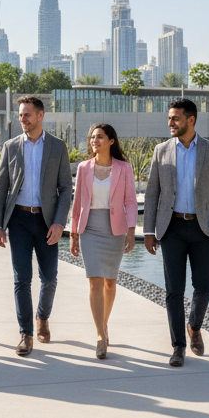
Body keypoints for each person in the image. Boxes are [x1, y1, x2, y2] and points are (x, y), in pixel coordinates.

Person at [143, 98, 209, 367]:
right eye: (169, 118)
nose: (170, 123)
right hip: (171, 228)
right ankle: (178, 346)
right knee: (173, 290)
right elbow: (152, 193)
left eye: (175, 119)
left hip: (204, 227)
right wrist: (148, 230)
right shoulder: (161, 150)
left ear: (190, 120)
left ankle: (194, 326)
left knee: (204, 286)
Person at [0, 95, 73, 356]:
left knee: (49, 278)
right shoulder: (11, 146)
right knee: (22, 279)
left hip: (48, 220)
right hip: (19, 220)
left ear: (40, 116)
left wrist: (60, 222)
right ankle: (26, 333)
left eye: (27, 114)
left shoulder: (58, 147)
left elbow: (65, 188)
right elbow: (1, 187)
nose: (22, 119)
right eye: (20, 115)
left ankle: (42, 317)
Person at [69, 124, 137, 359]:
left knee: (110, 282)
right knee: (95, 281)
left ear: (111, 141)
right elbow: (77, 202)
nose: (94, 140)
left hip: (115, 229)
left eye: (99, 137)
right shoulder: (83, 168)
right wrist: (74, 233)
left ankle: (104, 324)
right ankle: (100, 334)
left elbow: (130, 201)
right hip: (90, 228)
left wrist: (131, 230)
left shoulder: (124, 168)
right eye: (92, 137)